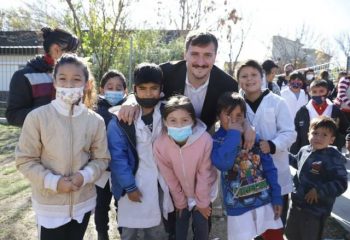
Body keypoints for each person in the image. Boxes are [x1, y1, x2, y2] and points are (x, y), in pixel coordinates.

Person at [15, 54, 110, 240]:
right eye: (63, 79)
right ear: (55, 82)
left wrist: (85, 176)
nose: (69, 85)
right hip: (49, 207)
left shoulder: (95, 121)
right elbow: (25, 160)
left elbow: (102, 159)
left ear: (86, 84)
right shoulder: (38, 118)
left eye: (76, 79)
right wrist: (53, 182)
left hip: (83, 203)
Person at [108, 63, 173, 240]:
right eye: (142, 88)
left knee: (158, 230)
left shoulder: (170, 113)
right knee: (130, 232)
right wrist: (129, 186)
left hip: (160, 184)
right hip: (132, 185)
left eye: (154, 88)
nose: (148, 93)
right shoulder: (120, 120)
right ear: (135, 89)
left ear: (161, 89)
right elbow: (118, 157)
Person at [212, 92, 283, 240]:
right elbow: (224, 164)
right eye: (228, 114)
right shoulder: (216, 141)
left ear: (244, 117)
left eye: (238, 115)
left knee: (274, 236)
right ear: (218, 116)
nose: (233, 119)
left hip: (265, 202)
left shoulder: (254, 138)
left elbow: (270, 168)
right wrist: (233, 134)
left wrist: (276, 196)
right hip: (238, 207)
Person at [237, 60, 296, 226]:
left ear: (262, 77)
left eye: (254, 75)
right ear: (238, 80)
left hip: (277, 169)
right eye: (244, 76)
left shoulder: (277, 102)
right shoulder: (236, 105)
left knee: (276, 222)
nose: (249, 79)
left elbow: (289, 133)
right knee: (255, 223)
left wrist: (272, 145)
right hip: (249, 174)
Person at [154, 95, 217, 240]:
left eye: (185, 120)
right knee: (180, 227)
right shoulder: (160, 145)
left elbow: (204, 173)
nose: (179, 126)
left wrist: (202, 203)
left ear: (193, 121)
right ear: (165, 122)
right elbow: (169, 177)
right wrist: (180, 202)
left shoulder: (205, 140)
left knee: (202, 228)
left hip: (204, 192)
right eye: (173, 121)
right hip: (180, 193)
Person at [285, 116, 348, 240]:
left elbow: (341, 183)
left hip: (315, 212)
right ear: (308, 134)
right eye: (315, 133)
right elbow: (296, 162)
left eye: (324, 135)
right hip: (296, 206)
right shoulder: (304, 150)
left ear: (332, 140)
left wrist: (319, 191)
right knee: (291, 235)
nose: (318, 137)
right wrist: (281, 153)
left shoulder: (333, 158)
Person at [6, 27, 80, 126]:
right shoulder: (25, 76)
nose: (76, 57)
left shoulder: (77, 76)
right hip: (38, 140)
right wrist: (47, 114)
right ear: (56, 50)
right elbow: (13, 116)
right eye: (72, 52)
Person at [95, 70, 128, 240]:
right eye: (110, 87)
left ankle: (124, 232)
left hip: (121, 170)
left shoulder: (129, 111)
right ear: (101, 90)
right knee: (101, 205)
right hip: (101, 171)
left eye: (118, 87)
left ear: (125, 91)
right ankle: (102, 233)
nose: (114, 91)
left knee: (121, 204)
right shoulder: (94, 113)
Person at [290, 79, 349, 154]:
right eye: (314, 92)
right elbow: (296, 133)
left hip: (330, 154)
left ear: (327, 92)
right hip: (308, 153)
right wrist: (295, 153)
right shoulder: (303, 111)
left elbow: (346, 128)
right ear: (310, 93)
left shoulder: (335, 110)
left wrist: (338, 143)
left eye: (321, 91)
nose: (318, 94)